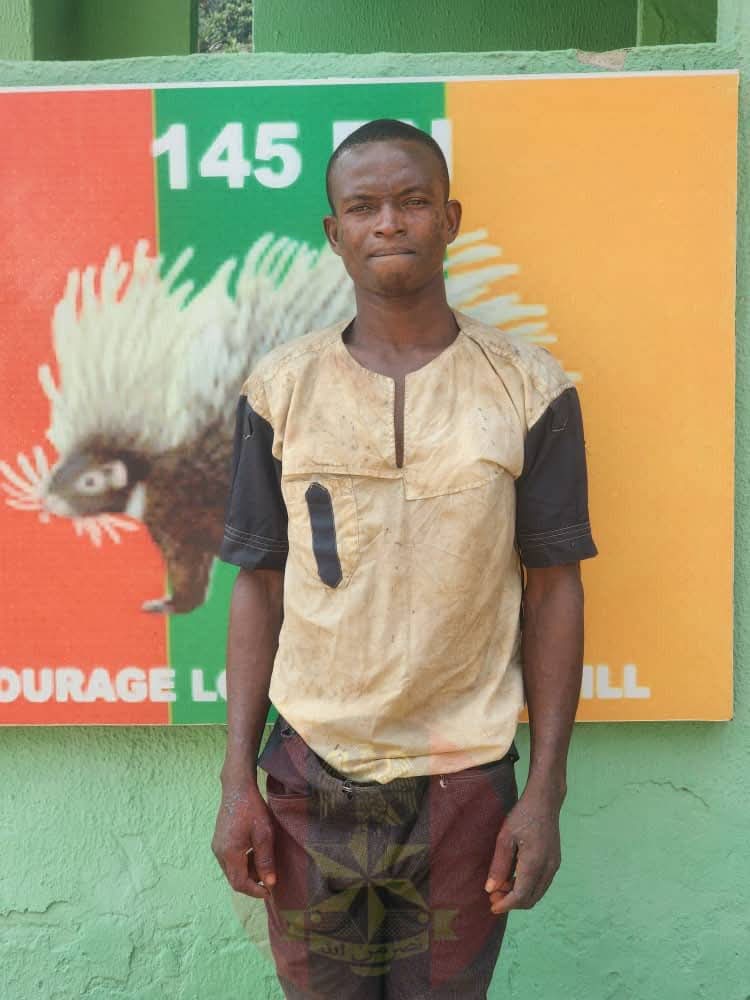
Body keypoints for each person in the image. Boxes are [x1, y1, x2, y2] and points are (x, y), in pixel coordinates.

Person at [211, 118, 597, 999]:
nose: (389, 222)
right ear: (334, 231)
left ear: (450, 218)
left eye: (414, 201)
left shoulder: (529, 386)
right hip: (310, 772)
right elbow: (257, 584)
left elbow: (554, 590)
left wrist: (545, 791)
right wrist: (237, 783)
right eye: (364, 207)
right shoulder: (281, 388)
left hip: (466, 779)